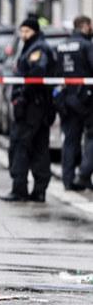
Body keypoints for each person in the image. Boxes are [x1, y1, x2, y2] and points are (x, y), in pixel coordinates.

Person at [0, 18, 56, 203]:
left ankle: (20, 189)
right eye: (22, 31)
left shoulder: (37, 49)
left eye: (27, 32)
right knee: (39, 147)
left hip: (32, 107)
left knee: (19, 146)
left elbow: (37, 73)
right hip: (40, 107)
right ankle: (39, 191)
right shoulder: (35, 47)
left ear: (35, 31)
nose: (24, 35)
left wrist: (22, 97)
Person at [56, 15, 93, 191]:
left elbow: (55, 73)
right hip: (85, 99)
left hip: (66, 99)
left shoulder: (62, 45)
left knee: (70, 140)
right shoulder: (87, 45)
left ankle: (68, 180)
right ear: (85, 26)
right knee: (92, 136)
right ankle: (83, 175)